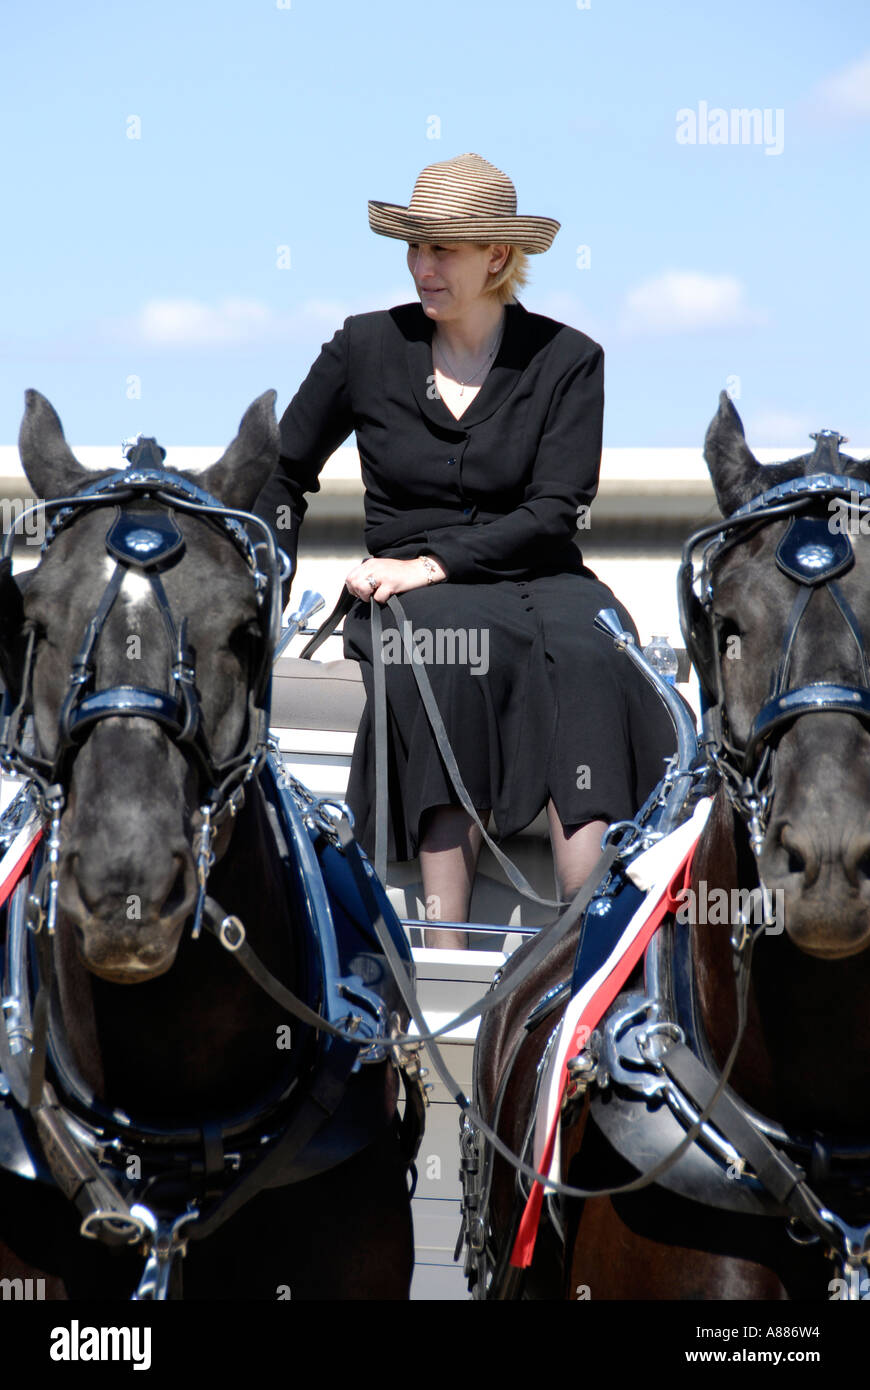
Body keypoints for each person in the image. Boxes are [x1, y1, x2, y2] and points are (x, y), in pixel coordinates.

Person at [255, 153, 675, 947]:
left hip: (545, 579)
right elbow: (281, 469)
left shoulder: (569, 359)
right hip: (413, 589)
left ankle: (589, 946)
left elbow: (557, 510)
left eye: (442, 248)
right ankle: (444, 947)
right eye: (415, 247)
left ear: (498, 257)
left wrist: (435, 562)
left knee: (597, 660)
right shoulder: (363, 347)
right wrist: (263, 582)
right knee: (453, 646)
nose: (423, 265)